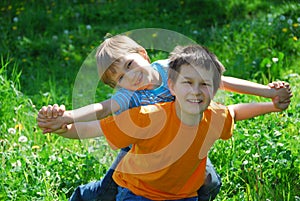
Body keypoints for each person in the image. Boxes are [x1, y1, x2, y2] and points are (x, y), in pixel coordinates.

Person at [37, 35, 291, 201]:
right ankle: (85, 196)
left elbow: (221, 81)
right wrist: (68, 116)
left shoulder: (171, 69)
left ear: (143, 54)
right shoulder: (129, 97)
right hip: (140, 142)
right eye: (120, 79)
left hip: (184, 135)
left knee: (209, 181)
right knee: (112, 188)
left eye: (129, 65)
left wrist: (267, 92)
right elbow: (102, 109)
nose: (130, 77)